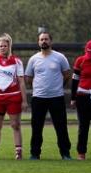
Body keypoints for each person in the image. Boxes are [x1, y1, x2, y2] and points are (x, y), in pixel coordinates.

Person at [25, 31, 73, 160]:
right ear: (38, 42)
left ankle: (65, 153)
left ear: (50, 41)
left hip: (56, 97)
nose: (44, 41)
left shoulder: (60, 57)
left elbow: (67, 74)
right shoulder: (34, 59)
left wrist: (58, 86)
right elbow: (28, 77)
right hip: (38, 98)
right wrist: (37, 87)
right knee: (36, 127)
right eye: (41, 39)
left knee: (61, 126)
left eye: (46, 39)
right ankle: (35, 154)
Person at [0, 33, 28, 160]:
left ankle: (18, 152)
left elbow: (21, 81)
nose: (2, 48)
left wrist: (24, 100)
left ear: (9, 46)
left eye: (5, 46)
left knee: (15, 124)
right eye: (0, 46)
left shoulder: (16, 61)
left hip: (13, 97)